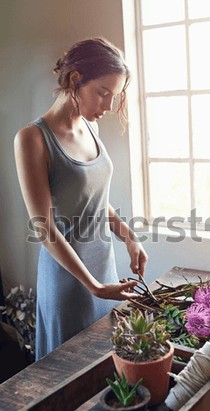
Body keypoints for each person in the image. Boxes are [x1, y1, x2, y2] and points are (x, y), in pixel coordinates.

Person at [14, 37, 148, 360]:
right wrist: (93, 286)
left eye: (113, 97)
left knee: (110, 373)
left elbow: (96, 202)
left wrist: (130, 238)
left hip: (105, 272)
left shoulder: (91, 129)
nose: (107, 106)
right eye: (102, 93)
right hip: (70, 284)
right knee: (69, 382)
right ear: (75, 79)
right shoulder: (32, 139)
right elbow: (45, 229)